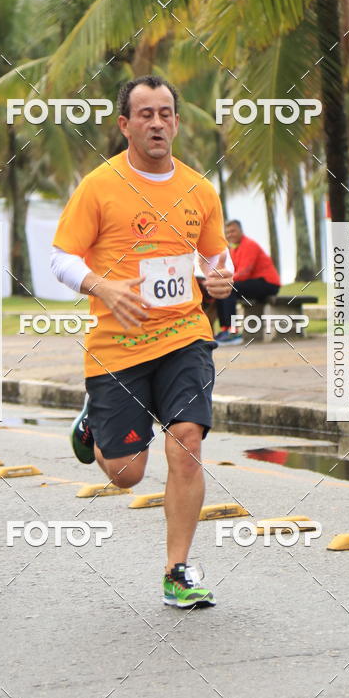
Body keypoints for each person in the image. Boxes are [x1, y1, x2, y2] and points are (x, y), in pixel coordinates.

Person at [51, 75, 233, 609]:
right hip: (117, 346)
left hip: (185, 336)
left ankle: (178, 570)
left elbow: (215, 259)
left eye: (166, 113)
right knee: (128, 475)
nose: (157, 123)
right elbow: (61, 257)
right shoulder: (99, 185)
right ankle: (91, 422)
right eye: (146, 114)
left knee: (187, 443)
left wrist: (220, 279)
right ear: (125, 125)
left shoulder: (200, 189)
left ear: (177, 122)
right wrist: (102, 284)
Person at [216, 220, 280, 345]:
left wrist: (226, 281)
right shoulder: (233, 249)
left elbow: (245, 272)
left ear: (241, 231)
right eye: (227, 232)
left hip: (268, 283)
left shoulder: (249, 245)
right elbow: (232, 271)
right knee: (221, 290)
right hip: (253, 282)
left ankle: (233, 333)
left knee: (229, 288)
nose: (230, 234)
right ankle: (226, 329)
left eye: (233, 231)